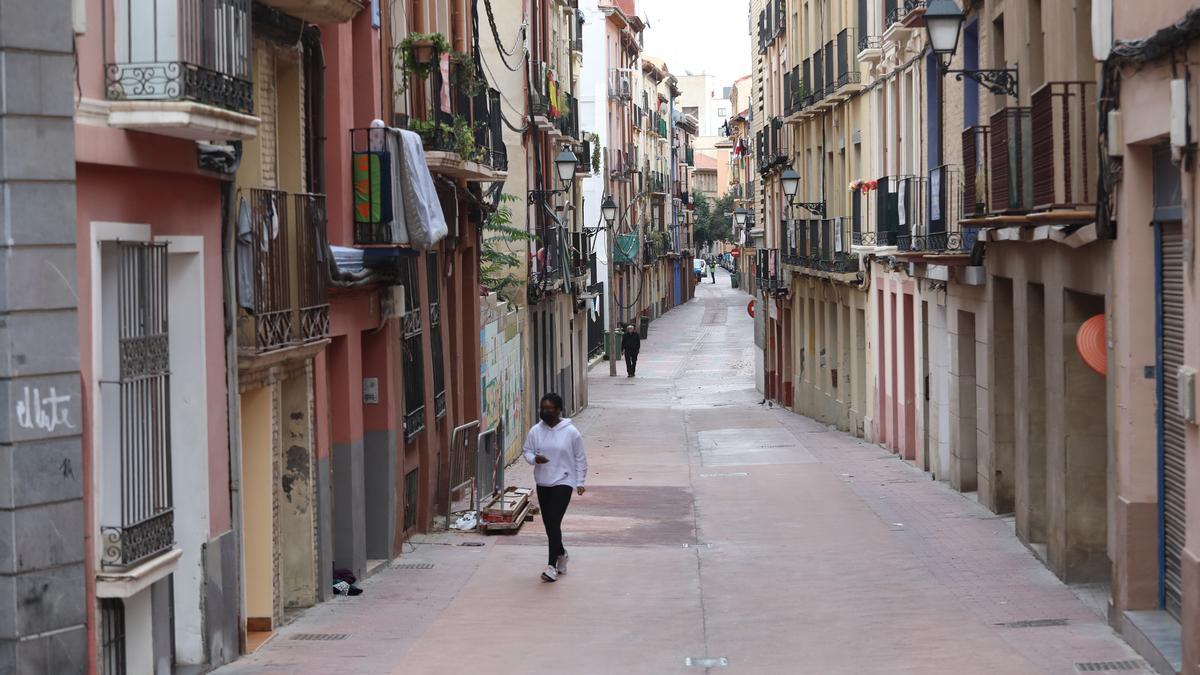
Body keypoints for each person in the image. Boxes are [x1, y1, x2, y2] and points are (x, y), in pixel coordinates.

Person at [523, 393, 587, 582]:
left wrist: (580, 481)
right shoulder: (535, 431)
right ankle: (561, 554)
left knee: (553, 521)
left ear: (559, 409)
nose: (546, 411)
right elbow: (527, 451)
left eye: (550, 408)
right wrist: (535, 459)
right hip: (543, 481)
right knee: (549, 524)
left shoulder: (571, 432)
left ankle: (551, 566)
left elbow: (580, 457)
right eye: (543, 408)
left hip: (564, 481)